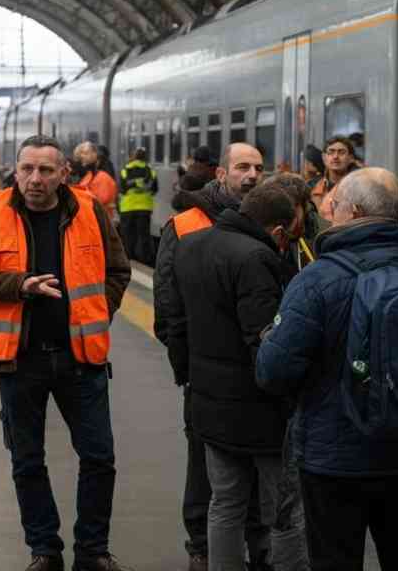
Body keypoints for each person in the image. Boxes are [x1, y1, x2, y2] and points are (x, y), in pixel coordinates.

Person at [256, 168, 398, 571]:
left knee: (335, 560)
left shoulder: (317, 280)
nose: (329, 211)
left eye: (336, 204)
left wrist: (271, 340)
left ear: (354, 211)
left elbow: (273, 371)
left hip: (333, 458)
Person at [0, 135, 132, 571]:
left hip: (80, 359)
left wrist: (96, 310)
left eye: (46, 170)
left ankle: (92, 552)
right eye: (27, 168)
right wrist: (19, 285)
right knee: (27, 461)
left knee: (99, 458)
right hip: (20, 360)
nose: (35, 179)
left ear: (63, 174)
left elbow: (118, 270)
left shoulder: (88, 210)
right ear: (15, 170)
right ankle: (44, 550)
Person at [174, 185, 306, 571]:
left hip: (208, 400)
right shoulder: (256, 258)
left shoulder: (191, 245)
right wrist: (288, 400)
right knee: (281, 509)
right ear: (278, 229)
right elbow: (262, 340)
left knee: (225, 502)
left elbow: (176, 322)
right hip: (259, 409)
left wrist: (188, 376)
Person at [154, 142, 266, 570]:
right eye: (242, 167)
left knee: (259, 467)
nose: (251, 175)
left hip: (257, 369)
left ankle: (259, 546)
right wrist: (186, 363)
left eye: (257, 167)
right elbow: (168, 305)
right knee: (203, 464)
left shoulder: (265, 218)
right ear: (221, 173)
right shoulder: (185, 224)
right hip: (206, 373)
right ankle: (200, 546)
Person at [118, 147, 158, 264]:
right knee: (144, 235)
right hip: (144, 208)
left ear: (133, 157)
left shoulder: (125, 170)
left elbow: (123, 189)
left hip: (128, 208)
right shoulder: (150, 170)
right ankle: (144, 260)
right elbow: (155, 189)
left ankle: (128, 258)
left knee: (128, 235)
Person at [309, 136, 359, 222]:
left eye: (341, 152)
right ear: (324, 158)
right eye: (331, 152)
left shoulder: (360, 186)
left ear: (351, 158)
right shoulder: (311, 186)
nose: (335, 156)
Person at [75, 142, 119, 220]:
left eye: (85, 153)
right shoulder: (88, 176)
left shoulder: (103, 177)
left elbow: (100, 200)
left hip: (101, 221)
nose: (82, 157)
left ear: (95, 155)